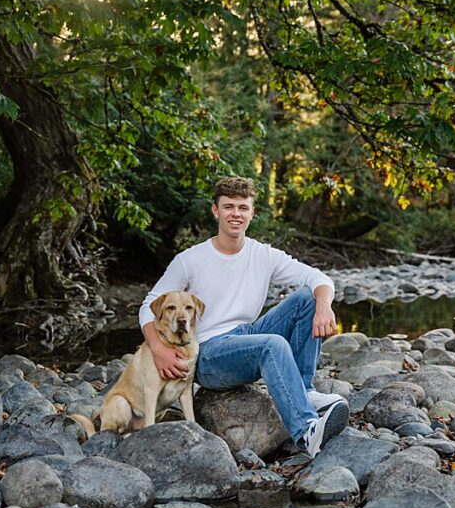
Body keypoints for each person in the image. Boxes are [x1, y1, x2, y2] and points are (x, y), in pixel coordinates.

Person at [138, 176, 348, 457]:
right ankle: (306, 431)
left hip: (245, 336)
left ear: (252, 213)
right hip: (209, 354)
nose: (235, 214)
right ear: (216, 211)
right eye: (228, 207)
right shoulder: (190, 259)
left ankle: (303, 391)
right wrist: (159, 347)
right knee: (272, 344)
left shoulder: (263, 254)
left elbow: (317, 277)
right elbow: (148, 304)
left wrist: (324, 304)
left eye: (242, 207)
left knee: (308, 297)